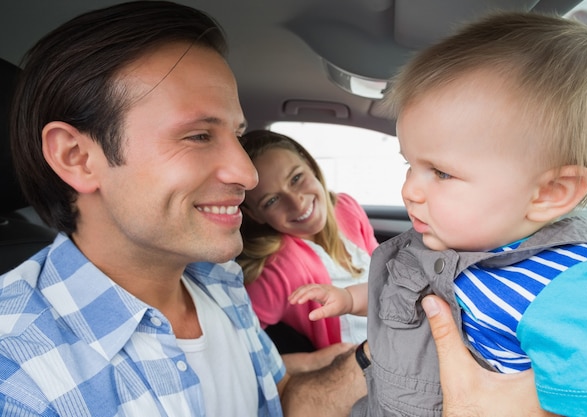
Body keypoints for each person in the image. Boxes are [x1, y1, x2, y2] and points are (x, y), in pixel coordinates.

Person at [0, 2, 367, 416]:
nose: (246, 176)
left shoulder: (216, 277)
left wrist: (377, 356)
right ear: (78, 158)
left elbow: (275, 401)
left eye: (237, 137)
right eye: (197, 136)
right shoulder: (17, 373)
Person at [292, 11, 587, 417]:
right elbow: (398, 294)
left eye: (442, 173)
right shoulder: (441, 244)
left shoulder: (567, 289)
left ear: (550, 193)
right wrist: (348, 298)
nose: (409, 191)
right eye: (409, 166)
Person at [237, 129, 377, 372]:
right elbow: (237, 354)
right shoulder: (277, 269)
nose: (297, 202)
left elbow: (386, 274)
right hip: (365, 373)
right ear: (255, 214)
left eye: (296, 178)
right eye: (271, 200)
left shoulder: (347, 208)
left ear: (309, 164)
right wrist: (313, 362)